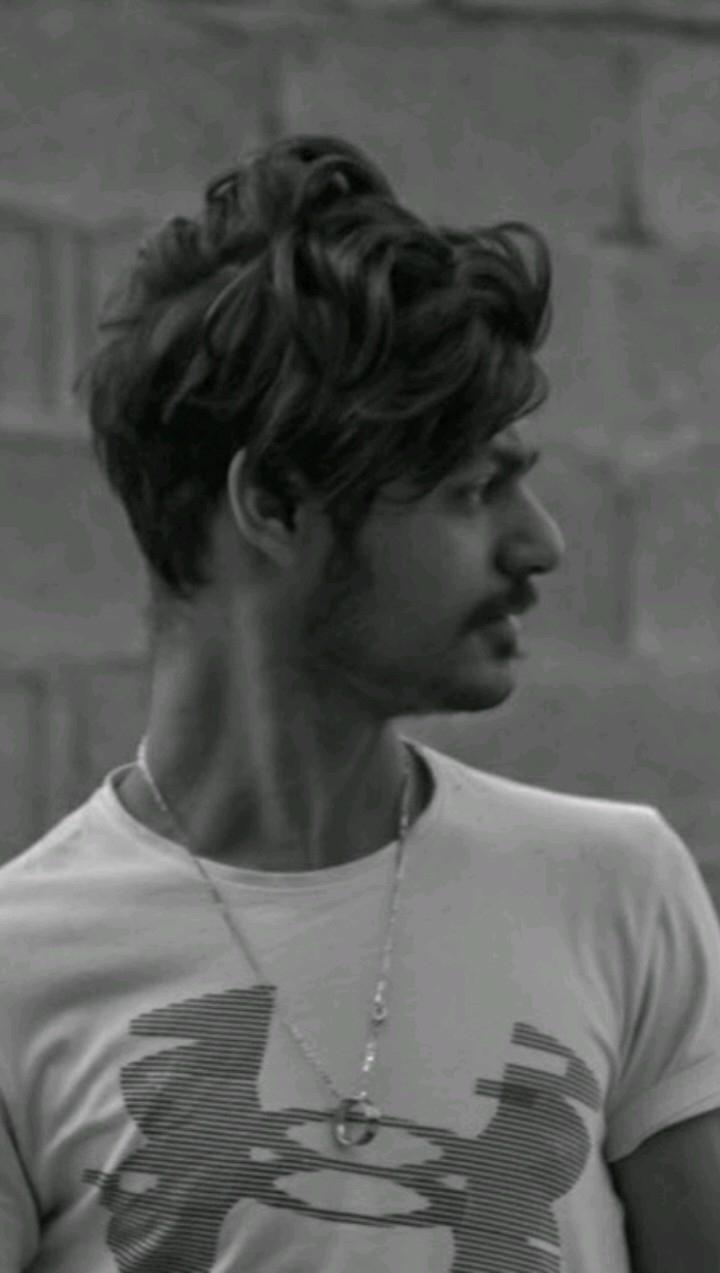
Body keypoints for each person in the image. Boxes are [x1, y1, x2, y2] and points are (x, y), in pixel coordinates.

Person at [1, 135, 719, 1273]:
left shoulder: (617, 891)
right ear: (277, 503)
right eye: (472, 490)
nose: (541, 544)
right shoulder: (21, 968)